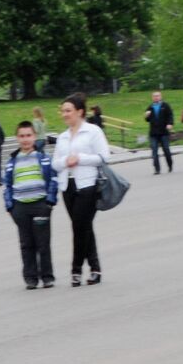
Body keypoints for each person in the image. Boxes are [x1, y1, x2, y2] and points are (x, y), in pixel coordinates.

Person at [52, 93, 111, 286]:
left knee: (79, 226)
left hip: (87, 185)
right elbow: (55, 163)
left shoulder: (92, 131)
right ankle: (95, 268)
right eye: (63, 111)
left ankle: (76, 269)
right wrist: (65, 161)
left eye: (68, 110)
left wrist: (80, 158)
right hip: (67, 185)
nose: (64, 114)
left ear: (80, 112)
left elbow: (104, 157)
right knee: (84, 227)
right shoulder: (62, 137)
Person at [2, 121, 60, 289]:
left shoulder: (43, 159)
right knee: (26, 244)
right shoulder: (12, 162)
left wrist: (50, 202)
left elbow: (53, 180)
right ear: (17, 138)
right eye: (22, 136)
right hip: (20, 207)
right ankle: (30, 278)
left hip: (40, 204)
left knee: (43, 243)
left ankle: (47, 276)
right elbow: (7, 185)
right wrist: (10, 206)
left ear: (34, 137)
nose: (25, 139)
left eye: (28, 135)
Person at [144, 90, 174, 174]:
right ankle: (157, 169)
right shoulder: (150, 107)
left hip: (164, 132)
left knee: (166, 150)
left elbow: (170, 115)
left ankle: (170, 165)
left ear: (160, 96)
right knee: (154, 151)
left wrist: (170, 124)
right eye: (154, 96)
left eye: (157, 96)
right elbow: (147, 119)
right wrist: (146, 115)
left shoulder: (165, 105)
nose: (156, 97)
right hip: (153, 133)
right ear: (152, 97)